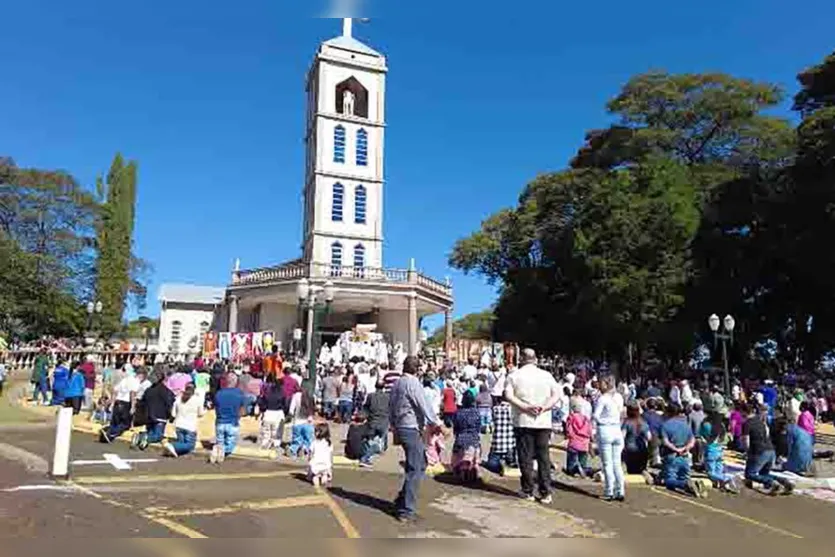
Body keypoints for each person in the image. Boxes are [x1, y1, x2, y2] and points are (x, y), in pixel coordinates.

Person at [388, 355, 443, 523]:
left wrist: (393, 425)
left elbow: (390, 405)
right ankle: (406, 510)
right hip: (410, 427)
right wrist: (437, 423)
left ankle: (402, 500)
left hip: (402, 426)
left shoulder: (397, 383)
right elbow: (423, 404)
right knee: (416, 467)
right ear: (416, 369)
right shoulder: (412, 383)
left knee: (420, 464)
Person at [504, 348, 561, 505]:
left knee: (525, 456)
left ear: (521, 359)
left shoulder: (514, 375)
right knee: (543, 457)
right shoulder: (546, 375)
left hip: (523, 420)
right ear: (535, 359)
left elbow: (508, 395)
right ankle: (545, 492)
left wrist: (525, 407)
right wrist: (544, 407)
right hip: (543, 421)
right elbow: (557, 394)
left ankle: (527, 489)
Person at [743, 403, 794, 495]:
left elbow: (746, 441)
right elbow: (767, 435)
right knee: (764, 474)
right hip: (771, 450)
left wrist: (748, 452)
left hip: (759, 451)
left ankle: (772, 483)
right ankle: (784, 481)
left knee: (750, 474)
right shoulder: (761, 422)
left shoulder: (747, 423)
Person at [661, 403, 706, 498]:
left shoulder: (665, 425)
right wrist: (686, 448)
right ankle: (692, 484)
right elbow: (692, 440)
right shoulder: (685, 425)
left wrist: (676, 449)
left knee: (669, 480)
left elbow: (665, 442)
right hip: (685, 456)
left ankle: (685, 484)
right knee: (684, 476)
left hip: (672, 456)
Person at [594, 378, 626, 501]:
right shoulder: (619, 397)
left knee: (607, 463)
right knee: (617, 462)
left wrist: (603, 422)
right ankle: (620, 490)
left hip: (606, 430)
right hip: (617, 429)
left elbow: (596, 415)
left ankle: (609, 491)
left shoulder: (602, 398)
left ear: (606, 384)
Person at [133, 371, 175, 451]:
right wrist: (170, 416)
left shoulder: (148, 390)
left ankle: (141, 437)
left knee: (151, 431)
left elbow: (142, 402)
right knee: (158, 435)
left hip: (148, 415)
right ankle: (144, 437)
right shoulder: (166, 392)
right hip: (160, 416)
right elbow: (169, 404)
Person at [211, 373, 246, 464]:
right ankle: (222, 450)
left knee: (220, 441)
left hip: (220, 422)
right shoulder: (239, 394)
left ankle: (218, 449)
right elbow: (242, 411)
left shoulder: (219, 393)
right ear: (236, 382)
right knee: (230, 445)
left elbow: (216, 408)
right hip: (232, 422)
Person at [163, 383, 205, 457]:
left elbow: (173, 414)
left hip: (179, 424)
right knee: (190, 445)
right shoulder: (198, 399)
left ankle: (175, 450)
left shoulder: (178, 399)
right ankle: (172, 446)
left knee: (182, 443)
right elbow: (200, 414)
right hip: (190, 426)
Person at [700, 414, 739, 493]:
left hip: (711, 449)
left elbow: (703, 437)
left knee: (711, 473)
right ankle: (722, 484)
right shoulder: (721, 426)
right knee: (718, 470)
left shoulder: (707, 425)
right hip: (719, 449)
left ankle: (727, 478)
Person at [101, 369, 140, 443]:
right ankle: (110, 433)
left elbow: (115, 391)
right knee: (125, 424)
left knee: (115, 422)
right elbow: (132, 394)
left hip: (118, 402)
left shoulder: (124, 380)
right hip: (126, 403)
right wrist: (132, 406)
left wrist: (112, 403)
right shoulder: (135, 381)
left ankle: (107, 433)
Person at [451, 390, 482, 483]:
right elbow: (478, 428)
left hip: (461, 439)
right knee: (476, 452)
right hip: (474, 440)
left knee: (456, 453)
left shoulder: (458, 412)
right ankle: (474, 467)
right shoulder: (476, 412)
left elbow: (455, 428)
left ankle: (461, 470)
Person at [484, 394, 518, 475]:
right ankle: (509, 465)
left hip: (497, 444)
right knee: (513, 461)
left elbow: (491, 422)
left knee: (491, 464)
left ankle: (500, 468)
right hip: (511, 444)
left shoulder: (495, 409)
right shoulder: (514, 410)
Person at [360, 380, 390, 467]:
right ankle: (365, 458)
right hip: (383, 421)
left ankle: (367, 456)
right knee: (379, 443)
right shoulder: (388, 397)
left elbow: (365, 408)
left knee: (371, 440)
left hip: (373, 421)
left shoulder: (371, 396)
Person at [564, 399, 593, 478]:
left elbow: (568, 429)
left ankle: (574, 469)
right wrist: (591, 439)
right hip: (584, 443)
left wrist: (568, 436)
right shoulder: (585, 418)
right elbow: (590, 430)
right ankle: (585, 469)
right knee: (583, 461)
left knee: (570, 463)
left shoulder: (571, 417)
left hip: (574, 442)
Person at [257, 374, 285, 450]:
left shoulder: (267, 393)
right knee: (277, 433)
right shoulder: (282, 393)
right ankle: (275, 445)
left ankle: (265, 444)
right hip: (278, 413)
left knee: (266, 432)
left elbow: (262, 403)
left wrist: (262, 411)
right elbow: (285, 404)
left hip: (268, 413)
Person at [621, 402, 650, 476]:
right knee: (641, 471)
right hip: (642, 449)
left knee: (631, 472)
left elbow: (622, 435)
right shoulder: (643, 422)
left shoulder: (627, 422)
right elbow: (649, 437)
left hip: (630, 450)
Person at [287, 390, 316, 458]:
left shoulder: (296, 395)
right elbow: (313, 409)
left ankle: (293, 451)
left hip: (297, 422)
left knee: (297, 439)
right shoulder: (312, 396)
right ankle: (304, 449)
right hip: (308, 422)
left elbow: (291, 410)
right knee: (308, 439)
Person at [308, 422, 333, 487]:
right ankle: (324, 480)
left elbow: (310, 453)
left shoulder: (314, 443)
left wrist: (309, 460)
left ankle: (316, 482)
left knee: (315, 476)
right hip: (325, 464)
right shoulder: (329, 443)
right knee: (324, 475)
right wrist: (330, 466)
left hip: (316, 464)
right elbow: (330, 455)